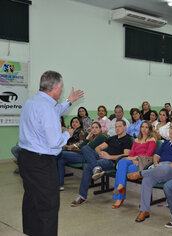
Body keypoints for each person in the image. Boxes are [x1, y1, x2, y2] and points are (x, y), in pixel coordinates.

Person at [18, 70, 83, 236]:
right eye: (61, 86)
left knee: (32, 198)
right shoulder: (47, 108)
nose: (62, 90)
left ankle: (32, 232)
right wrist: (67, 134)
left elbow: (54, 111)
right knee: (49, 204)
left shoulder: (32, 102)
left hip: (26, 157)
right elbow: (55, 143)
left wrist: (69, 101)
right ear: (55, 86)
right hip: (41, 162)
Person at [127, 121, 172, 222]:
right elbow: (156, 155)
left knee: (164, 168)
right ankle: (144, 210)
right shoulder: (166, 143)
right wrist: (156, 163)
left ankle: (140, 174)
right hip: (161, 169)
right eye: (171, 128)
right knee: (147, 180)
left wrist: (167, 165)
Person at [71, 120, 132, 207]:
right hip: (102, 157)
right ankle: (96, 168)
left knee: (88, 166)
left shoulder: (127, 139)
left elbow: (125, 155)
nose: (117, 129)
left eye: (120, 126)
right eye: (116, 127)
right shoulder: (112, 138)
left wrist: (109, 156)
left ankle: (82, 196)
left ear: (125, 127)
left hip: (111, 161)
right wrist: (102, 153)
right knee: (85, 148)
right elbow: (97, 148)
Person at [112, 121, 156, 208]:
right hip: (134, 161)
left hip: (144, 163)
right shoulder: (136, 140)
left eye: (146, 127)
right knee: (122, 162)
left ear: (150, 129)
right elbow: (131, 154)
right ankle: (121, 186)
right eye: (142, 127)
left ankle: (119, 197)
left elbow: (148, 154)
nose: (144, 129)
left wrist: (135, 159)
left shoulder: (152, 140)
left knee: (122, 170)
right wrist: (134, 159)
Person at [57, 122, 106, 190]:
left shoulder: (101, 137)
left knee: (61, 153)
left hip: (88, 158)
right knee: (61, 160)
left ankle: (49, 158)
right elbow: (82, 147)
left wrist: (86, 140)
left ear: (100, 129)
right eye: (92, 127)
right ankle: (60, 185)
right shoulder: (92, 137)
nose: (94, 129)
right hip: (82, 155)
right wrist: (87, 138)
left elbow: (86, 147)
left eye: (96, 127)